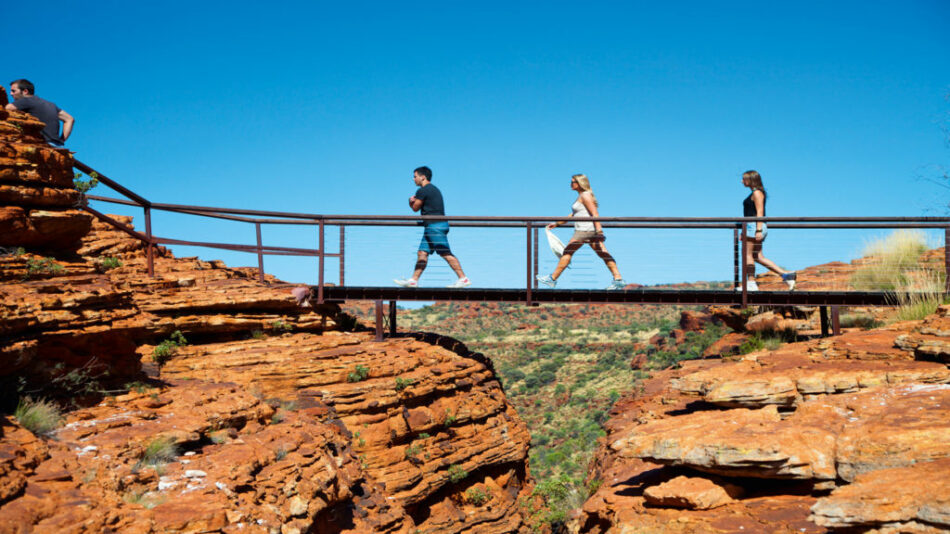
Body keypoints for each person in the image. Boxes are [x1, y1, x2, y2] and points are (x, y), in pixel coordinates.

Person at [536, 174, 626, 290]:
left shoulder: (585, 195)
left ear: (580, 183)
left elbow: (595, 214)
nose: (571, 184)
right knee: (603, 253)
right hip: (588, 230)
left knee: (568, 252)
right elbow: (573, 215)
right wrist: (557, 223)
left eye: (573, 182)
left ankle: (552, 279)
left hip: (584, 230)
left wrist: (600, 231)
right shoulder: (581, 196)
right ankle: (618, 279)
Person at [394, 166, 471, 288]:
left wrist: (410, 201)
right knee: (422, 252)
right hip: (433, 226)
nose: (413, 179)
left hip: (435, 226)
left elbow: (415, 208)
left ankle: (463, 278)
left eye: (415, 176)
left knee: (445, 253)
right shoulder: (434, 189)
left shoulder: (423, 190)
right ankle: (414, 280)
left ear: (422, 177)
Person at [740, 170, 796, 290]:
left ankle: (751, 284)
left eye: (744, 179)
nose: (742, 181)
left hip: (754, 226)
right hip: (751, 227)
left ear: (751, 180)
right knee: (758, 257)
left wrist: (758, 230)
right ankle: (786, 275)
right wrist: (743, 230)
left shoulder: (757, 193)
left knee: (747, 255)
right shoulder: (756, 193)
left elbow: (760, 212)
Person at [5, 79, 74, 146]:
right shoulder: (51, 105)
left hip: (40, 145)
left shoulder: (27, 100)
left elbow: (6, 109)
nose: (11, 94)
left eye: (13, 91)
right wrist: (62, 140)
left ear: (25, 91)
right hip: (55, 145)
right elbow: (69, 119)